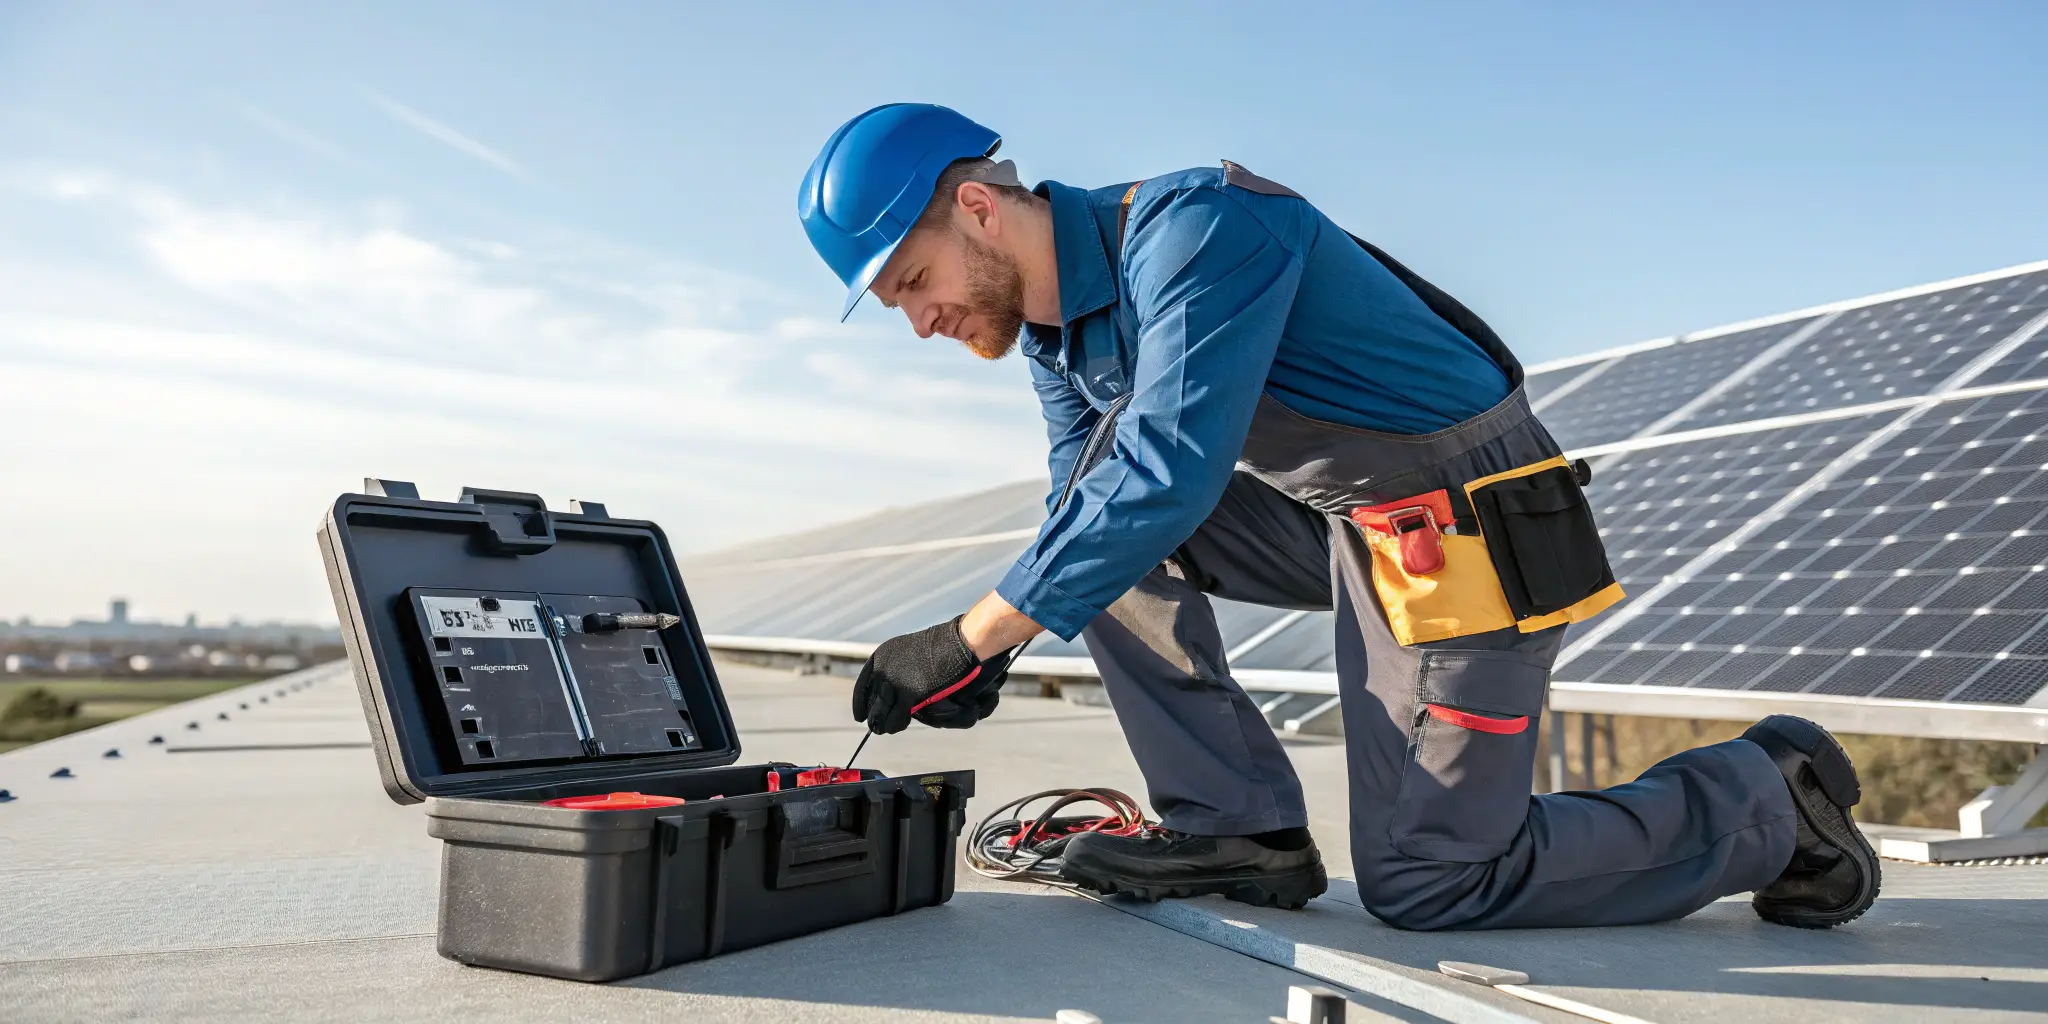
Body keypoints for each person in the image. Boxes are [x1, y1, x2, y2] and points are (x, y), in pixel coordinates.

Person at [795, 103, 1880, 930]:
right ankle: (1239, 829)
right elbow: (1084, 505)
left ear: (977, 208)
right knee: (1089, 533)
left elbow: (1168, 468)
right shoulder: (1055, 338)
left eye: (912, 279)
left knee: (1433, 879)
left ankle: (1764, 798)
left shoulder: (1194, 230)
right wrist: (997, 638)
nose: (919, 319)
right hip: (1341, 520)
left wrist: (966, 634)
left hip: (1460, 523)